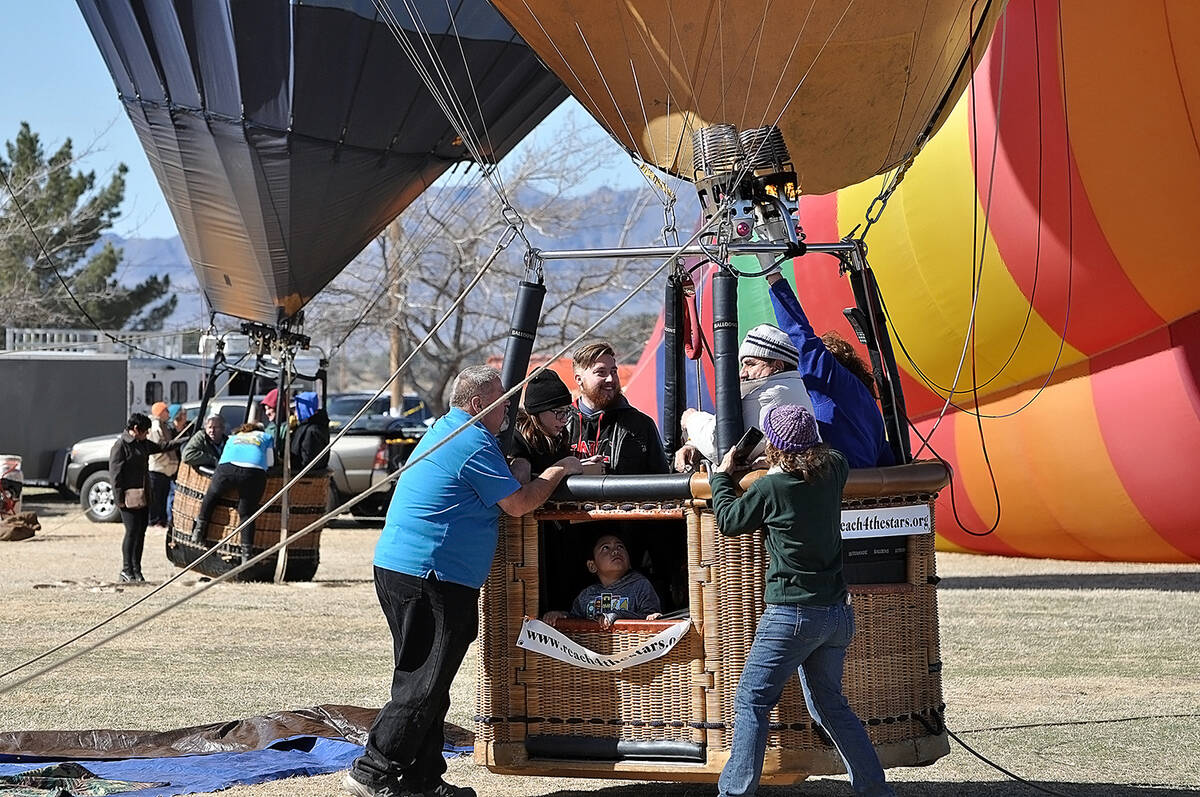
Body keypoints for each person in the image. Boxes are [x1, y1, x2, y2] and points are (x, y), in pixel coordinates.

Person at [344, 365, 583, 797]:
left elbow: (506, 488)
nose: (508, 409)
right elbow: (518, 503)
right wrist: (560, 469)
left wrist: (521, 468)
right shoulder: (472, 442)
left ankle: (422, 779)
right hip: (433, 577)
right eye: (502, 402)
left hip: (405, 569)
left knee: (426, 680)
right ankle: (373, 770)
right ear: (478, 404)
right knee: (423, 684)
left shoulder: (448, 430)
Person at [709, 404, 892, 797]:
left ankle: (734, 793)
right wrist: (777, 461)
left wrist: (722, 476)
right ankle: (875, 790)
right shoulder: (835, 470)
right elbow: (827, 459)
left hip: (791, 613)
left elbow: (729, 520)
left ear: (774, 447)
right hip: (837, 614)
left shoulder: (770, 489)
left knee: (752, 700)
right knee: (830, 705)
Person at [765, 272, 893, 468]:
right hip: (866, 482)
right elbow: (886, 460)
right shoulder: (867, 406)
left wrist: (773, 276)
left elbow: (800, 337)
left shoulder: (827, 381)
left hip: (843, 484)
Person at [675, 323, 816, 471]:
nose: (742, 373)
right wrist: (693, 444)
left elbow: (717, 445)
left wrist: (690, 419)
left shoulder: (768, 395)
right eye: (742, 365)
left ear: (778, 366)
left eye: (750, 364)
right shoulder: (791, 388)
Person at [565, 341, 668, 475]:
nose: (610, 379)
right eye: (601, 372)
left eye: (613, 371)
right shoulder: (561, 423)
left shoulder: (640, 425)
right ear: (579, 379)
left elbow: (661, 478)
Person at [190, 422, 275, 565]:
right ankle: (246, 555)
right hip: (253, 471)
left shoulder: (233, 437)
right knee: (247, 513)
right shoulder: (266, 437)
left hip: (227, 468)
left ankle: (198, 530)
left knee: (212, 496)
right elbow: (271, 462)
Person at [542, 533, 661, 629]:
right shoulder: (587, 595)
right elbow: (576, 621)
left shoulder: (640, 585)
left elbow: (650, 619)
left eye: (620, 547)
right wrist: (561, 616)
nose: (615, 551)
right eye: (606, 548)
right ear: (592, 566)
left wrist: (617, 616)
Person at [109, 413, 165, 583]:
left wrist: (185, 439)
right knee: (131, 532)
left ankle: (137, 570)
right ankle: (126, 570)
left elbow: (163, 447)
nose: (147, 434)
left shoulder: (143, 444)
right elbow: (115, 475)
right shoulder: (120, 446)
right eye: (145, 431)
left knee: (141, 533)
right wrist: (119, 500)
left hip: (143, 496)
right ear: (135, 429)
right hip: (127, 499)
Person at [511, 369, 573, 472]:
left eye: (567, 411)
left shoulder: (559, 440)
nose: (565, 419)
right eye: (559, 411)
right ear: (537, 412)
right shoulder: (516, 442)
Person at [146, 401, 179, 529]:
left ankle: (162, 520)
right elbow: (156, 449)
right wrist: (168, 462)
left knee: (163, 496)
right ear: (160, 412)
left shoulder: (163, 425)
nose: (169, 414)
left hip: (165, 470)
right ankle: (154, 521)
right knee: (156, 498)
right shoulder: (155, 427)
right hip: (158, 468)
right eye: (166, 411)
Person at [290, 390, 330, 472]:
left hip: (307, 475)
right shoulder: (309, 426)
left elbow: (308, 460)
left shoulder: (312, 431)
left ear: (304, 409)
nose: (295, 413)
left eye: (297, 409)